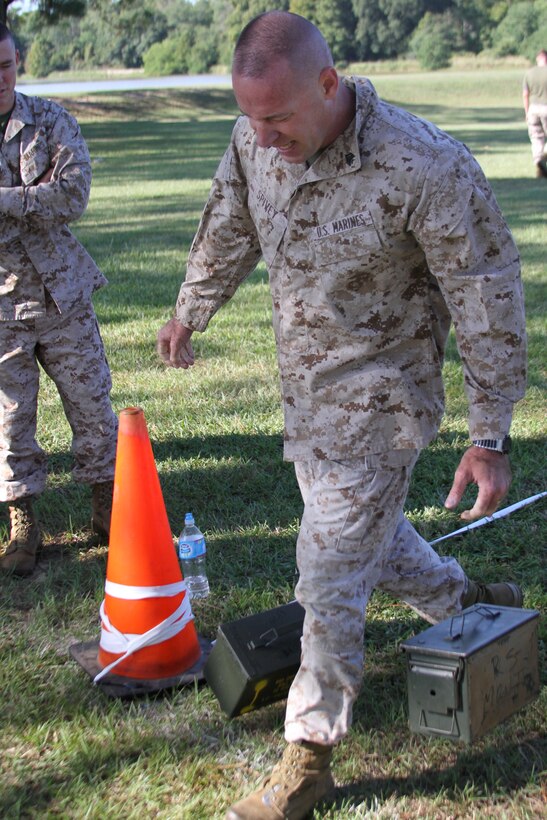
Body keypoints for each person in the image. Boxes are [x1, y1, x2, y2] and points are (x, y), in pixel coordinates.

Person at [157, 12, 527, 819]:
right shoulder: (255, 133)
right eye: (250, 117)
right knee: (365, 538)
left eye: (279, 118)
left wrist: (487, 434)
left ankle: (309, 757)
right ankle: (467, 601)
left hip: (384, 402)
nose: (263, 136)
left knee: (327, 571)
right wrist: (192, 308)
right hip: (308, 397)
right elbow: (229, 219)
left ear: (329, 84)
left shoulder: (423, 163)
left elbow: (485, 293)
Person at [0, 24, 118, 577]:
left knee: (93, 405)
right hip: (2, 308)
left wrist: (6, 200)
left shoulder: (49, 120)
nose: (0, 78)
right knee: (10, 419)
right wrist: (34, 197)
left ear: (18, 61)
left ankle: (107, 507)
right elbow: (52, 197)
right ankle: (22, 523)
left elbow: (74, 193)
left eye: (6, 65)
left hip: (63, 294)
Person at [523, 49, 547, 178]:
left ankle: (538, 160)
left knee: (536, 137)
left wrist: (527, 112)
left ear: (538, 58)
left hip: (533, 108)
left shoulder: (530, 73)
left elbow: (525, 94)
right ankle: (545, 153)